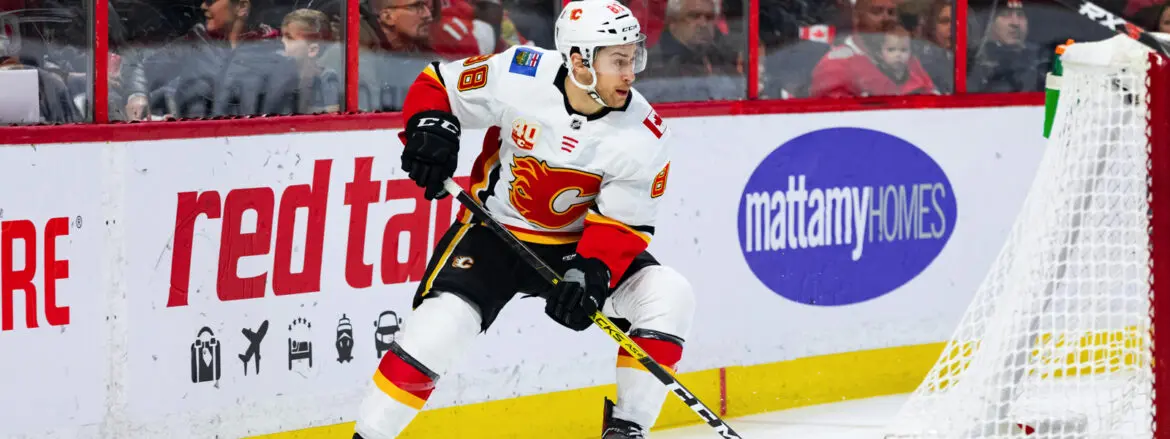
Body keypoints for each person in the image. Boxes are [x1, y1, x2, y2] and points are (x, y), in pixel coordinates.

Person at [352, 1, 695, 438]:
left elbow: (623, 225)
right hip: (493, 235)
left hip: (574, 249)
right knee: (436, 332)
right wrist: (431, 128)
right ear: (579, 61)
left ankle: (627, 429)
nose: (631, 74)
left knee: (669, 294)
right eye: (618, 61)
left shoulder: (644, 134)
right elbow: (438, 84)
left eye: (634, 58)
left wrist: (592, 271)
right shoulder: (519, 72)